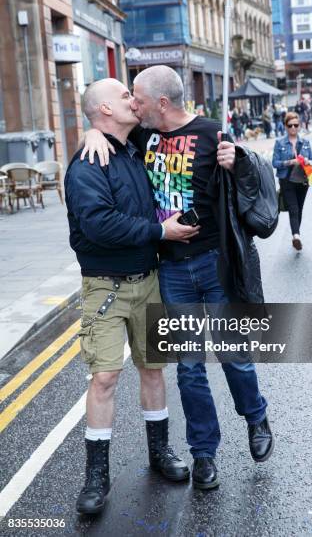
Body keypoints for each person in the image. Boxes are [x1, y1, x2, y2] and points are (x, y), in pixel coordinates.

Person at [81, 66, 273, 491]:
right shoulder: (143, 135)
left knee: (232, 355)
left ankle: (256, 416)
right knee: (188, 368)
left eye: (138, 97)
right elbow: (102, 123)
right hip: (171, 268)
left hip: (214, 261)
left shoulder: (211, 133)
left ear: (160, 103)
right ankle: (204, 454)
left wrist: (238, 159)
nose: (133, 103)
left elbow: (251, 188)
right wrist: (89, 134)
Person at [65, 78, 199, 515]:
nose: (132, 100)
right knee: (104, 378)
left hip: (149, 280)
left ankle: (159, 453)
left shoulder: (134, 145)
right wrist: (160, 231)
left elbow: (177, 123)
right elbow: (99, 226)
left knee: (153, 369)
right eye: (124, 96)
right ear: (104, 109)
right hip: (105, 287)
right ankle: (96, 476)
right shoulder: (88, 163)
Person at [272, 112, 312, 251]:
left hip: (303, 180)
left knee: (299, 208)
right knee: (293, 208)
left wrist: (309, 161)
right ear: (285, 126)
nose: (293, 128)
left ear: (299, 126)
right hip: (286, 180)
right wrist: (290, 162)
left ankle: (297, 233)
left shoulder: (306, 143)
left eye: (296, 125)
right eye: (290, 125)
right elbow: (275, 163)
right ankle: (296, 236)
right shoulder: (279, 143)